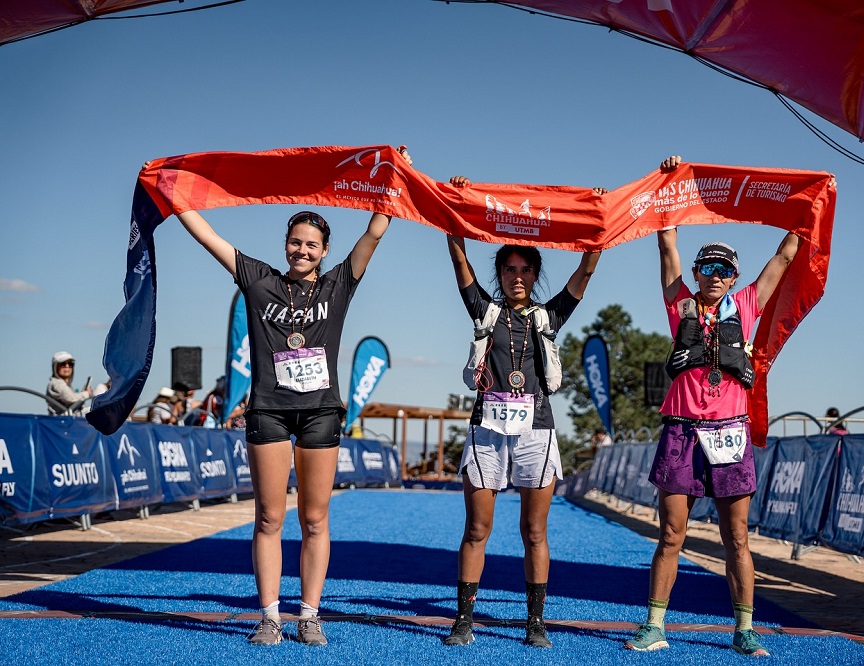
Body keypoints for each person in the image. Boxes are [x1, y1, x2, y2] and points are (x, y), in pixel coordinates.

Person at [169, 145, 410, 647]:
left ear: (324, 250)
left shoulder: (340, 284)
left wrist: (395, 174)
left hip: (320, 412)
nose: (302, 250)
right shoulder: (259, 280)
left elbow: (375, 232)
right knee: (269, 517)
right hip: (270, 412)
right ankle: (269, 617)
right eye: (295, 242)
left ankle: (310, 615)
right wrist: (173, 194)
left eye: (312, 245)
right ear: (285, 245)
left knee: (315, 518)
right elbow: (208, 236)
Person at [625, 155, 800, 657]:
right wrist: (670, 184)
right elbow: (666, 244)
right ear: (699, 272)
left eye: (725, 270)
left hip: (729, 432)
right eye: (708, 268)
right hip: (681, 430)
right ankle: (654, 625)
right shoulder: (680, 303)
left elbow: (785, 255)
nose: (715, 276)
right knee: (671, 534)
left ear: (734, 276)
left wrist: (805, 206)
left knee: (736, 537)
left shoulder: (745, 305)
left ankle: (744, 629)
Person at [441, 175, 603, 649]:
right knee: (477, 528)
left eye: (525, 269)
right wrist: (456, 206)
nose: (517, 276)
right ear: (499, 274)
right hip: (487, 429)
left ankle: (536, 622)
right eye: (509, 269)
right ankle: (464, 620)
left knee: (534, 530)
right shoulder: (484, 310)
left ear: (535, 275)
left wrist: (599, 219)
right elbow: (458, 257)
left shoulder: (548, 316)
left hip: (537, 430)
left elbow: (585, 272)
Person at [46, 351, 92, 415]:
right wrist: (86, 394)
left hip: (69, 417)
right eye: (62, 364)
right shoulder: (56, 383)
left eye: (70, 364)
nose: (67, 366)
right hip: (61, 419)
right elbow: (70, 398)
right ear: (55, 367)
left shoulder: (66, 385)